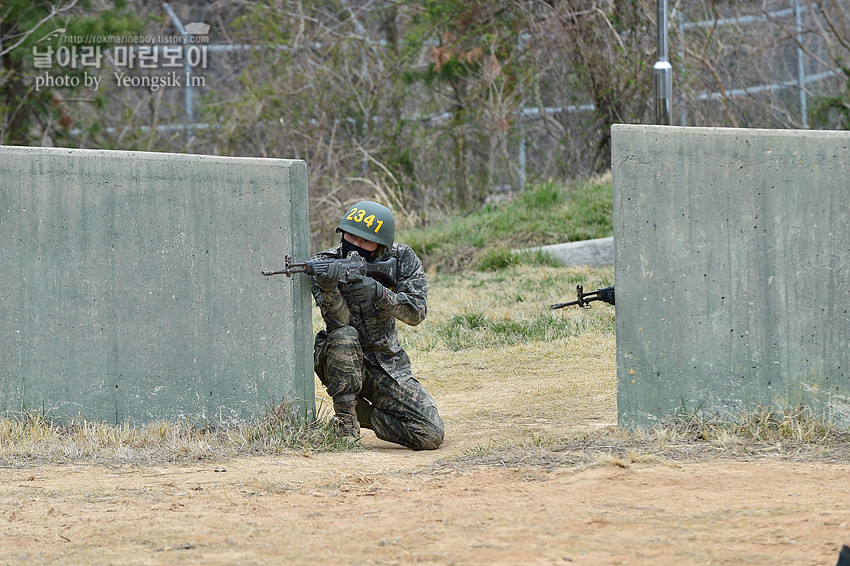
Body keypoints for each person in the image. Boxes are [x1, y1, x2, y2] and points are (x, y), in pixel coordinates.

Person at [310, 200, 444, 450]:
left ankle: (364, 416)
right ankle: (345, 421)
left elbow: (416, 314)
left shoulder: (402, 259)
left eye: (366, 242)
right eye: (352, 236)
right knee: (345, 335)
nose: (356, 246)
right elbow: (339, 323)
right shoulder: (324, 264)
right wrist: (329, 289)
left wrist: (380, 293)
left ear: (381, 247)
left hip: (388, 365)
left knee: (430, 433)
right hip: (342, 360)